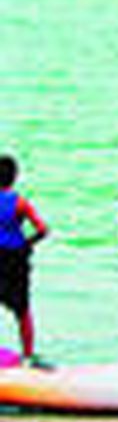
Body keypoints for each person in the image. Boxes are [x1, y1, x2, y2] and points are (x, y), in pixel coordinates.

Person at [0, 155, 50, 362]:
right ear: (15, 177)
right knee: (22, 310)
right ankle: (28, 354)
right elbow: (43, 229)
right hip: (15, 259)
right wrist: (27, 244)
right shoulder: (20, 203)